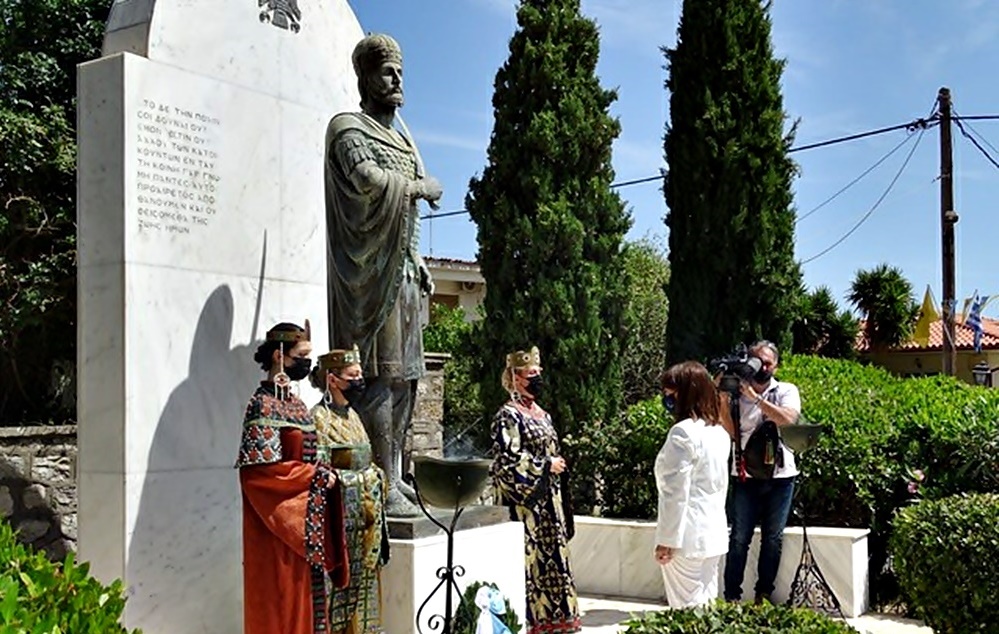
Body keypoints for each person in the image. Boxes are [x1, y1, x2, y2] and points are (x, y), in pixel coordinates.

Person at [324, 33, 443, 517]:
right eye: (387, 72)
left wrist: (419, 262)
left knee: (408, 380)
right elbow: (369, 181)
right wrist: (418, 186)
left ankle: (395, 473)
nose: (397, 81)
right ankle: (378, 474)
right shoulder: (348, 128)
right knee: (381, 377)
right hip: (369, 277)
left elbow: (409, 216)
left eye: (400, 72)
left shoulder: (404, 135)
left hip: (406, 272)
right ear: (365, 77)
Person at [235, 321, 348, 634]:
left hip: (306, 521)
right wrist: (313, 477)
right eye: (302, 354)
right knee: (281, 599)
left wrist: (324, 471)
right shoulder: (261, 404)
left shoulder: (297, 405)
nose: (307, 362)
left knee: (310, 600)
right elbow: (259, 475)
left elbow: (312, 455)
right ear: (279, 356)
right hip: (277, 525)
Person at [490, 346, 580, 634]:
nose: (538, 378)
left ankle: (558, 622)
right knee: (529, 566)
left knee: (555, 562)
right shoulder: (508, 416)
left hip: (549, 505)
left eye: (539, 372)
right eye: (532, 374)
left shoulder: (543, 415)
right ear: (516, 378)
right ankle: (531, 623)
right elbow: (506, 461)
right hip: (525, 505)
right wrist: (544, 465)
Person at [309, 344, 390, 634]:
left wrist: (375, 478)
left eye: (359, 374)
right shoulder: (318, 418)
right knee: (338, 594)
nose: (359, 381)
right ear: (333, 379)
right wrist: (354, 480)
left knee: (365, 592)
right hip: (340, 523)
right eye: (352, 375)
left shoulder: (353, 415)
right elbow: (317, 470)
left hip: (367, 521)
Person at [723, 340, 802, 604]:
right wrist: (724, 397)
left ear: (776, 365)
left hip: (781, 476)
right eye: (758, 361)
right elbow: (732, 432)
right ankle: (732, 596)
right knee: (739, 537)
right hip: (745, 475)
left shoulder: (786, 390)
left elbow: (788, 420)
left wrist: (755, 399)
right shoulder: (736, 393)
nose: (763, 367)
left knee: (773, 538)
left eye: (768, 362)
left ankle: (763, 594)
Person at [654, 361, 733, 608]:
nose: (667, 398)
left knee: (686, 611)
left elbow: (675, 492)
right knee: (706, 609)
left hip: (686, 538)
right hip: (713, 534)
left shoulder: (682, 433)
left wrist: (667, 539)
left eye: (671, 392)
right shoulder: (719, 433)